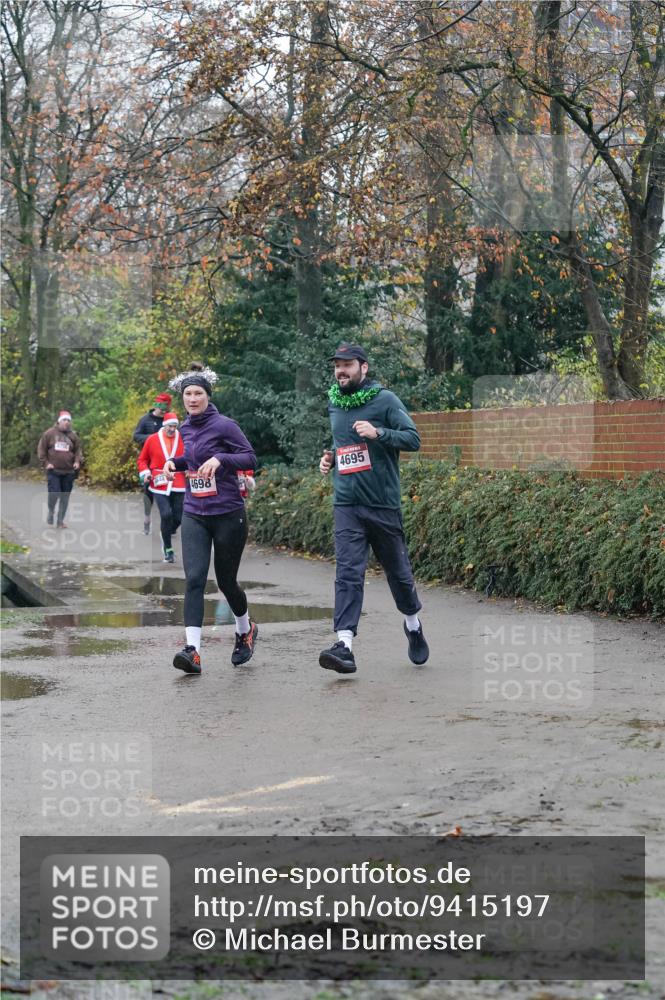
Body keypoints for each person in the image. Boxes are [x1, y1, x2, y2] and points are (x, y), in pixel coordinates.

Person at [318, 343, 429, 674]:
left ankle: (412, 624)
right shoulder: (334, 404)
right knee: (348, 572)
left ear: (363, 368)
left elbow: (413, 439)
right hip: (347, 504)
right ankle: (344, 644)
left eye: (348, 364)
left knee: (399, 573)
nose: (341, 370)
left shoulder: (385, 400)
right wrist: (331, 459)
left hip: (382, 504)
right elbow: (345, 448)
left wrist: (378, 432)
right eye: (337, 365)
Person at [163, 365, 258, 674]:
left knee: (227, 581)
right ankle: (193, 650)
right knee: (194, 579)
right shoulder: (186, 428)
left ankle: (245, 630)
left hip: (228, 513)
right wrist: (173, 464)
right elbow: (193, 460)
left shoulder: (225, 425)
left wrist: (221, 459)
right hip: (194, 513)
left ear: (208, 396)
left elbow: (249, 457)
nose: (192, 399)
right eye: (188, 394)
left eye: (198, 393)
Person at [137, 412, 186, 563]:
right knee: (165, 515)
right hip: (159, 483)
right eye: (170, 426)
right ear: (164, 425)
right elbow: (142, 460)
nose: (172, 429)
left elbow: (190, 456)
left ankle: (168, 529)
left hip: (178, 481)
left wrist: (190, 469)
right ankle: (168, 549)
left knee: (178, 517)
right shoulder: (152, 439)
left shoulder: (183, 438)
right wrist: (145, 473)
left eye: (175, 426)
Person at [133, 392, 172, 535]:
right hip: (148, 462)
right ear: (156, 405)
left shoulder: (169, 421)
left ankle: (169, 523)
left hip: (167, 461)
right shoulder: (145, 419)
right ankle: (147, 519)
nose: (162, 410)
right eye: (160, 407)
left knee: (170, 491)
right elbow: (136, 436)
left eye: (165, 408)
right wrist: (153, 439)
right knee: (148, 491)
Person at [37, 411, 83, 529]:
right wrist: (46, 463)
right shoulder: (49, 434)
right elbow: (41, 450)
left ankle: (60, 521)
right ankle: (51, 511)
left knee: (65, 497)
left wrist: (77, 462)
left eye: (68, 420)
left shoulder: (73, 436)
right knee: (54, 493)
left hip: (68, 472)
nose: (67, 422)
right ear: (59, 421)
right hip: (54, 471)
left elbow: (78, 451)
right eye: (64, 420)